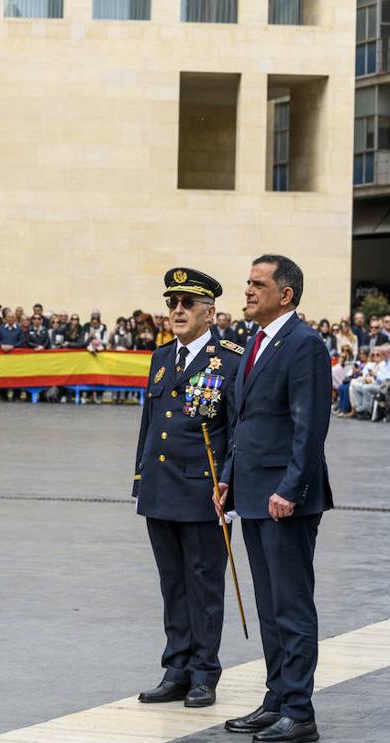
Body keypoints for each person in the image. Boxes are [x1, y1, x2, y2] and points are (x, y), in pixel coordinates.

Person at [216, 254, 332, 743]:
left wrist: (291, 487)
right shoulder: (255, 343)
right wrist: (227, 477)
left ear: (285, 294)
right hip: (253, 492)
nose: (246, 290)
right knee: (268, 605)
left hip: (286, 498)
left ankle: (299, 711)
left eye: (257, 284)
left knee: (291, 604)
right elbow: (245, 425)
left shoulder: (303, 345)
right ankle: (277, 697)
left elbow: (310, 427)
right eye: (247, 282)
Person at [134, 268, 242, 710]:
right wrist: (141, 478)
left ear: (209, 312)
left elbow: (237, 429)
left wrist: (229, 482)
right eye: (172, 303)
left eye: (187, 304)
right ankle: (175, 668)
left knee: (203, 584)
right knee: (172, 583)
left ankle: (203, 672)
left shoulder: (230, 358)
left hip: (203, 492)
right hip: (161, 489)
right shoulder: (162, 357)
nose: (177, 311)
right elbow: (149, 424)